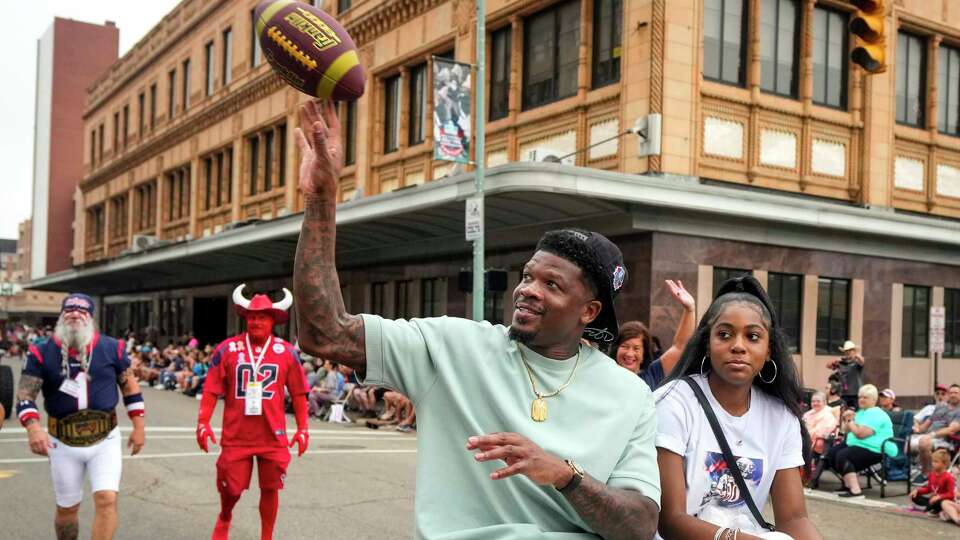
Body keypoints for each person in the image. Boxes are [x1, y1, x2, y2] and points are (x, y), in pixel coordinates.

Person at [293, 100, 660, 539]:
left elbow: (640, 525)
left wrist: (566, 476)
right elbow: (326, 333)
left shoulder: (631, 395)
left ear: (589, 311)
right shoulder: (452, 347)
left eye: (552, 285)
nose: (527, 290)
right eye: (527, 276)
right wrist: (321, 201)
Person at [653, 276, 820, 539]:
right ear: (708, 343)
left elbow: (794, 518)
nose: (738, 346)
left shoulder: (781, 417)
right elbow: (670, 520)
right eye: (724, 334)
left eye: (753, 336)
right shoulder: (673, 402)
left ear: (769, 351)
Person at [15, 293, 146, 540]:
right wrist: (33, 429)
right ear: (61, 317)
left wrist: (139, 427)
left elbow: (130, 387)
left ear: (91, 318)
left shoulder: (113, 348)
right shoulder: (41, 352)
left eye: (82, 310)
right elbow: (25, 395)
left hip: (105, 439)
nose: (75, 314)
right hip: (62, 441)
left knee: (107, 500)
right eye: (69, 310)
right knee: (67, 509)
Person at [195, 284, 309, 540]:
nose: (256, 321)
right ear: (245, 318)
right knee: (231, 489)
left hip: (273, 435)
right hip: (237, 434)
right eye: (252, 317)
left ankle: (266, 536)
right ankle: (225, 515)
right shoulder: (227, 349)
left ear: (273, 320)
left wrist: (303, 429)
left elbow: (300, 393)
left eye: (262, 317)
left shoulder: (288, 353)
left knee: (271, 489)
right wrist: (203, 422)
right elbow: (212, 389)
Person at [614, 279, 695, 390]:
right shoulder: (604, 372)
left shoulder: (652, 374)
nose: (629, 354)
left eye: (636, 348)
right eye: (625, 346)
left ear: (644, 355)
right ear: (617, 348)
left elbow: (680, 347)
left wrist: (689, 309)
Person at [822, 384, 895, 498]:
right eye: (860, 397)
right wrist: (846, 419)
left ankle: (856, 491)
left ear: (873, 399)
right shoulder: (861, 412)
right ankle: (848, 485)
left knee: (843, 455)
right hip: (858, 444)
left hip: (875, 448)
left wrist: (850, 420)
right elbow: (845, 431)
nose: (861, 400)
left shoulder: (877, 414)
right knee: (832, 454)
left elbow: (860, 434)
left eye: (865, 397)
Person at [910, 383, 960, 484]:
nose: (953, 395)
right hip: (929, 436)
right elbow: (926, 425)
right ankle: (901, 471)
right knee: (906, 440)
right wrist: (917, 428)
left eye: (956, 393)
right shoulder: (940, 408)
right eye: (951, 393)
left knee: (924, 442)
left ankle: (927, 474)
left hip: (946, 440)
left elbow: (951, 429)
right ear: (948, 395)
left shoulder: (958, 411)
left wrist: (931, 435)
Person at [909, 449, 956, 515]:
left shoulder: (948, 477)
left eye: (936, 462)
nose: (933, 464)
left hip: (942, 501)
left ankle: (932, 508)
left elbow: (951, 494)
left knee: (938, 502)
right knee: (914, 497)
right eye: (933, 461)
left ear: (944, 464)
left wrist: (939, 497)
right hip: (933, 500)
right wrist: (917, 491)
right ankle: (929, 508)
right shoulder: (932, 474)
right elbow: (929, 489)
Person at [826, 341, 864, 409]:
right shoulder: (841, 362)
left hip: (855, 393)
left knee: (855, 411)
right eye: (846, 351)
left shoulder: (856, 362)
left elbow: (862, 362)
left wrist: (856, 355)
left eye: (850, 350)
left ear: (854, 351)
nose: (848, 352)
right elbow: (828, 366)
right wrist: (835, 361)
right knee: (843, 411)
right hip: (843, 393)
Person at [802, 392, 838, 460]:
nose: (815, 403)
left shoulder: (828, 414)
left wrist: (804, 433)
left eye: (818, 401)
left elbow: (822, 431)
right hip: (808, 436)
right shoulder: (809, 413)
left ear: (824, 402)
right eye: (813, 401)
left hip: (821, 439)